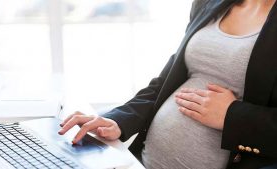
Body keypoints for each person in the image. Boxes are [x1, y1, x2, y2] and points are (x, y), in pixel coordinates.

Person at [58, 0, 277, 168]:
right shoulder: (210, 3)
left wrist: (233, 116)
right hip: (142, 161)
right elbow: (167, 82)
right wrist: (117, 120)